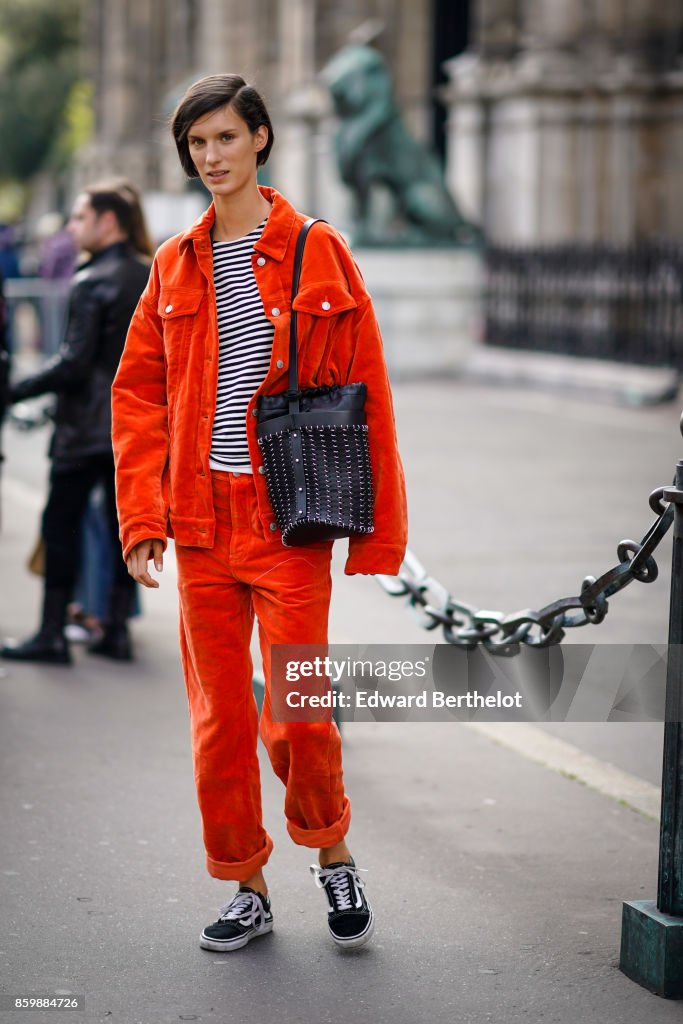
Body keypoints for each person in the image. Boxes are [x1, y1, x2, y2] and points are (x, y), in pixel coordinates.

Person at [111, 74, 407, 952]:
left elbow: (368, 391)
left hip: (289, 521)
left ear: (261, 140)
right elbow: (138, 396)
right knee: (219, 725)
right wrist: (142, 520)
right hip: (200, 521)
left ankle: (330, 849)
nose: (211, 158)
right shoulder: (174, 262)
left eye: (226, 139)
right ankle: (243, 882)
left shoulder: (318, 250)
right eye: (197, 144)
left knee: (300, 706)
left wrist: (376, 534)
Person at [1, 182, 153, 664]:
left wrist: (14, 390)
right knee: (119, 529)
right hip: (132, 425)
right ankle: (115, 630)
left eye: (79, 218)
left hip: (85, 427)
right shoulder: (147, 275)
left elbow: (73, 363)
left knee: (60, 524)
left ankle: (51, 634)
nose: (72, 228)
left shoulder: (92, 281)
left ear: (108, 222)